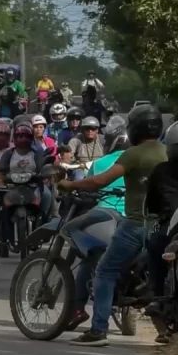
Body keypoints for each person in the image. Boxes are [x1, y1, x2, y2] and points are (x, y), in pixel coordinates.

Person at [58, 104, 167, 346]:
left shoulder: (134, 154)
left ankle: (98, 330)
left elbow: (100, 180)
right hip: (162, 226)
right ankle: (167, 330)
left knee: (104, 271)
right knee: (159, 277)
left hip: (136, 223)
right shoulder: (166, 152)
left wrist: (70, 185)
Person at [62, 126, 129, 331]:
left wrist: (70, 187)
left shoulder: (101, 163)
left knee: (88, 259)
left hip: (105, 215)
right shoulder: (142, 161)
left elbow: (90, 186)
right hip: (135, 218)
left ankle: (79, 310)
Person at [145, 122, 178, 343]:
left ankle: (157, 296)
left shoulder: (161, 170)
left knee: (153, 245)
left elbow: (151, 204)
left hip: (169, 227)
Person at [0, 122, 53, 228]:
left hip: (33, 186)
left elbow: (43, 166)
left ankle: (45, 222)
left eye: (26, 136)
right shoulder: (8, 154)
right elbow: (1, 169)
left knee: (47, 195)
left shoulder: (36, 154)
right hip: (12, 187)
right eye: (20, 136)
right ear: (14, 138)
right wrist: (1, 176)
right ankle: (2, 228)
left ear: (31, 138)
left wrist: (44, 172)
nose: (23, 139)